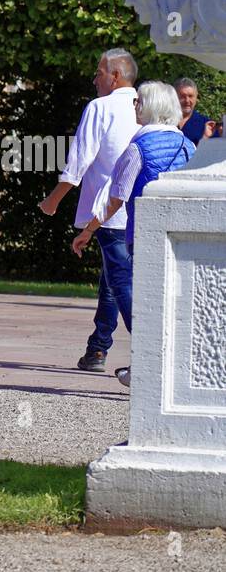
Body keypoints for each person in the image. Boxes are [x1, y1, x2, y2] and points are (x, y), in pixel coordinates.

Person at [72, 80, 193, 388]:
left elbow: (115, 199)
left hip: (145, 239)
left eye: (139, 102)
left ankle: (147, 362)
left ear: (151, 107)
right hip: (183, 242)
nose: (135, 107)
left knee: (134, 293)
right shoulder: (188, 147)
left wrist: (88, 230)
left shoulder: (137, 148)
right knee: (173, 304)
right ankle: (173, 365)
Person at [38, 48, 139, 373]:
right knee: (112, 278)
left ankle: (152, 349)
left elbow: (79, 161)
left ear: (115, 76)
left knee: (120, 281)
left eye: (99, 72)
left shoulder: (101, 107)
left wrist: (53, 199)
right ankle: (97, 348)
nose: (94, 79)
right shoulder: (145, 104)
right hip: (140, 209)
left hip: (109, 212)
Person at [173, 78, 213, 144]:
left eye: (191, 96)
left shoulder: (206, 126)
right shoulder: (164, 122)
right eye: (182, 96)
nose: (187, 101)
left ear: (196, 97)